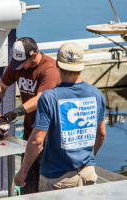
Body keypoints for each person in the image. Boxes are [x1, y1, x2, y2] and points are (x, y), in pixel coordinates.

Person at [14, 42, 106, 192]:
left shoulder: (49, 97)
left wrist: (23, 171)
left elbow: (37, 141)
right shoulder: (97, 94)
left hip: (57, 178)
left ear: (57, 64)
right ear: (81, 65)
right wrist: (89, 159)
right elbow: (101, 134)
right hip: (87, 173)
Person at [0, 37, 60, 194]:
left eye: (23, 63)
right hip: (30, 130)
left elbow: (41, 99)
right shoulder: (18, 64)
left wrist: (13, 114)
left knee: (47, 185)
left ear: (34, 55)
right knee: (26, 180)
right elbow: (2, 85)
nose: (19, 67)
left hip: (49, 134)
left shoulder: (49, 69)